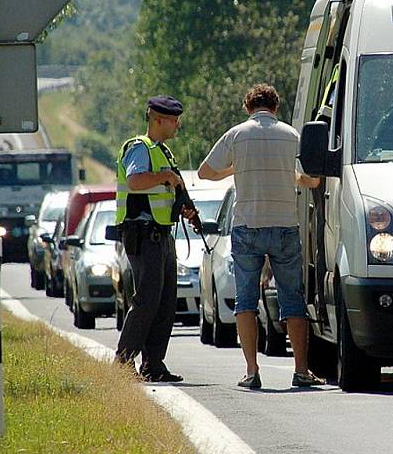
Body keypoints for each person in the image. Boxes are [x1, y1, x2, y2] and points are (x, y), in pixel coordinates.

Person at [198, 83, 323, 389]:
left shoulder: (236, 135)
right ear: (276, 107)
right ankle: (301, 370)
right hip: (284, 225)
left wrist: (235, 170)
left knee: (246, 301)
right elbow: (314, 180)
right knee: (292, 299)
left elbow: (204, 172)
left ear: (247, 107)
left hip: (247, 226)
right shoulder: (292, 135)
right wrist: (292, 177)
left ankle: (252, 370)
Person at [114, 95, 196, 382]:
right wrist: (165, 177)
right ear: (157, 119)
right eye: (173, 120)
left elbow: (166, 191)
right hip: (143, 234)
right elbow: (136, 182)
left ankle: (153, 365)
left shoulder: (163, 152)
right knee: (147, 300)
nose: (177, 125)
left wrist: (186, 208)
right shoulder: (140, 148)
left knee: (164, 302)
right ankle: (123, 364)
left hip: (161, 234)